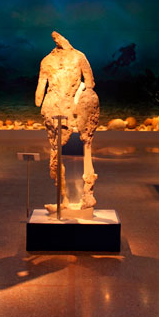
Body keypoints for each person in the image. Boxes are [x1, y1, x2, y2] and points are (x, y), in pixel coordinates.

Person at [35, 32, 100, 210]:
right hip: (64, 110)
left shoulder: (48, 60)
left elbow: (38, 97)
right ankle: (67, 199)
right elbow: (90, 83)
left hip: (63, 110)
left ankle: (75, 196)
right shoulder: (77, 57)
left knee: (65, 150)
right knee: (76, 148)